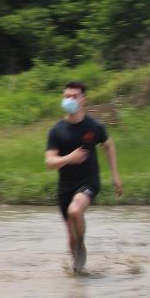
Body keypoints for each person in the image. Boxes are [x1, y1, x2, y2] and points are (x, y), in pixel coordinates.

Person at [45, 81, 123, 273]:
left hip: (88, 182)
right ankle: (78, 276)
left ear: (83, 100)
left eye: (74, 96)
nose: (69, 100)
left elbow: (108, 146)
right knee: (70, 236)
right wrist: (69, 158)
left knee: (75, 211)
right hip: (65, 186)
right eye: (66, 96)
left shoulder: (94, 126)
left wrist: (115, 176)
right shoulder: (56, 131)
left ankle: (81, 246)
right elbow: (49, 162)